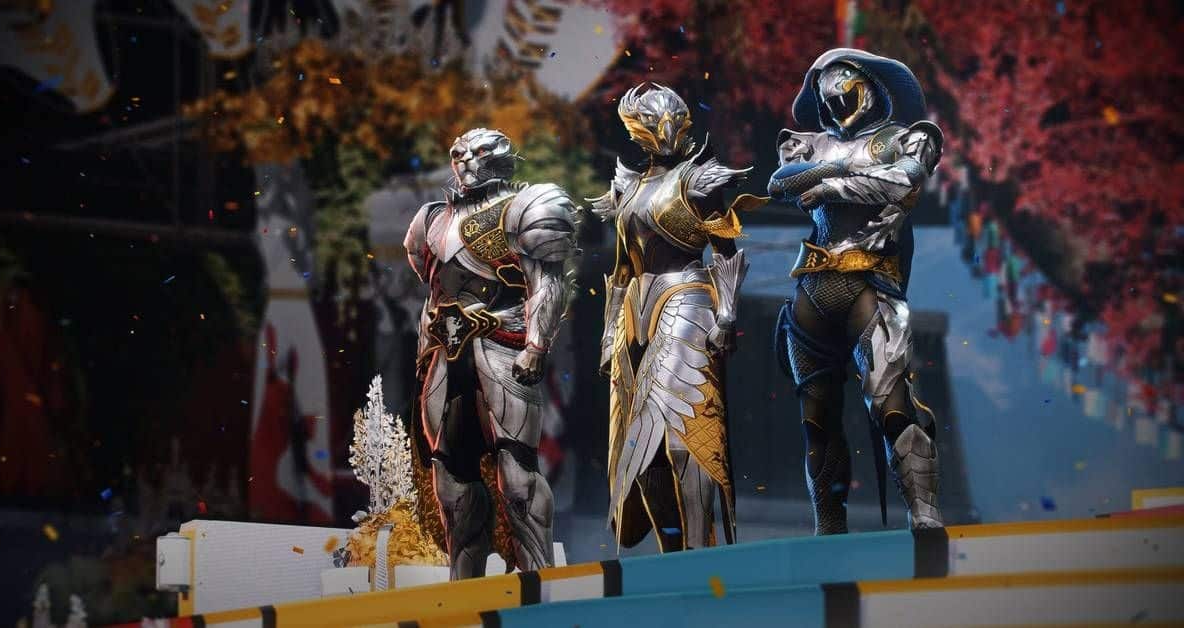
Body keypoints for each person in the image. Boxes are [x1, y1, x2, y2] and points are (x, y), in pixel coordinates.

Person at [768, 49, 945, 534]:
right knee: (817, 420)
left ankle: (924, 514)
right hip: (812, 292)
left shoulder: (908, 138)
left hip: (872, 289)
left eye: (845, 83)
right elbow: (780, 183)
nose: (836, 96)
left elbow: (902, 181)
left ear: (869, 85)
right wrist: (834, 172)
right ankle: (828, 525)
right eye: (827, 89)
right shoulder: (805, 144)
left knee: (892, 406)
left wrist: (829, 185)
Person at [589, 83, 762, 551]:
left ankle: (699, 550)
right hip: (633, 312)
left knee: (683, 430)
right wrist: (607, 337)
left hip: (687, 298)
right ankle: (672, 557)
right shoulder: (627, 186)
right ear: (636, 129)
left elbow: (725, 253)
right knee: (638, 447)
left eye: (670, 121)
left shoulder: (699, 180)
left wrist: (726, 316)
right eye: (653, 122)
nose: (664, 130)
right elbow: (621, 270)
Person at [403, 128, 576, 578]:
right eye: (458, 153)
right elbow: (431, 284)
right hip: (444, 356)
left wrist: (536, 345)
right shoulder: (430, 218)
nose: (464, 161)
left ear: (498, 157)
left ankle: (538, 582)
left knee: (518, 478)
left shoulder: (524, 206)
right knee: (451, 483)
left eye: (476, 153)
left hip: (503, 346)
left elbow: (547, 283)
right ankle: (464, 589)